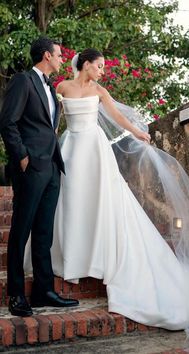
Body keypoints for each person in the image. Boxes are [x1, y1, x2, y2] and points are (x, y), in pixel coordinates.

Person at [39, 48, 189, 353]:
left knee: (97, 205)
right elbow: (54, 121)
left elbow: (116, 117)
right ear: (86, 65)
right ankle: (72, 258)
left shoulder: (100, 91)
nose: (103, 70)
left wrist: (137, 133)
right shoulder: (62, 87)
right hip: (71, 149)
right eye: (99, 66)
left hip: (95, 151)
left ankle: (96, 257)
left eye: (105, 66)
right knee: (71, 205)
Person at [0, 37, 79, 317]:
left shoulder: (49, 87)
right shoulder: (23, 81)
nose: (61, 59)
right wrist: (22, 157)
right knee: (21, 231)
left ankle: (43, 291)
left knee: (44, 231)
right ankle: (17, 295)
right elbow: (7, 122)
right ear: (47, 55)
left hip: (52, 168)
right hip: (30, 167)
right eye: (59, 55)